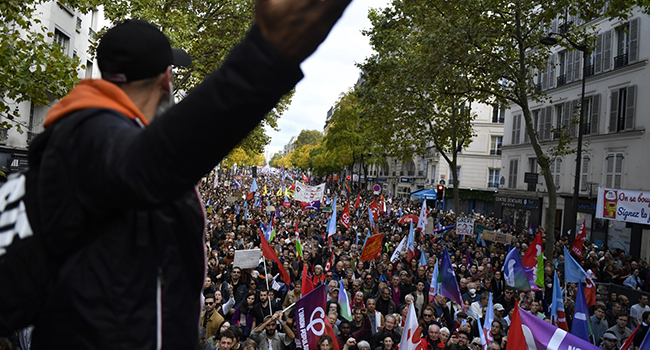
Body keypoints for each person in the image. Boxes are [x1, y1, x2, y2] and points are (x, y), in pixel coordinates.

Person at [28, 0, 351, 348]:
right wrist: (267, 54)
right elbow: (154, 164)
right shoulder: (90, 137)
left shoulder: (79, 133)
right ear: (166, 80)